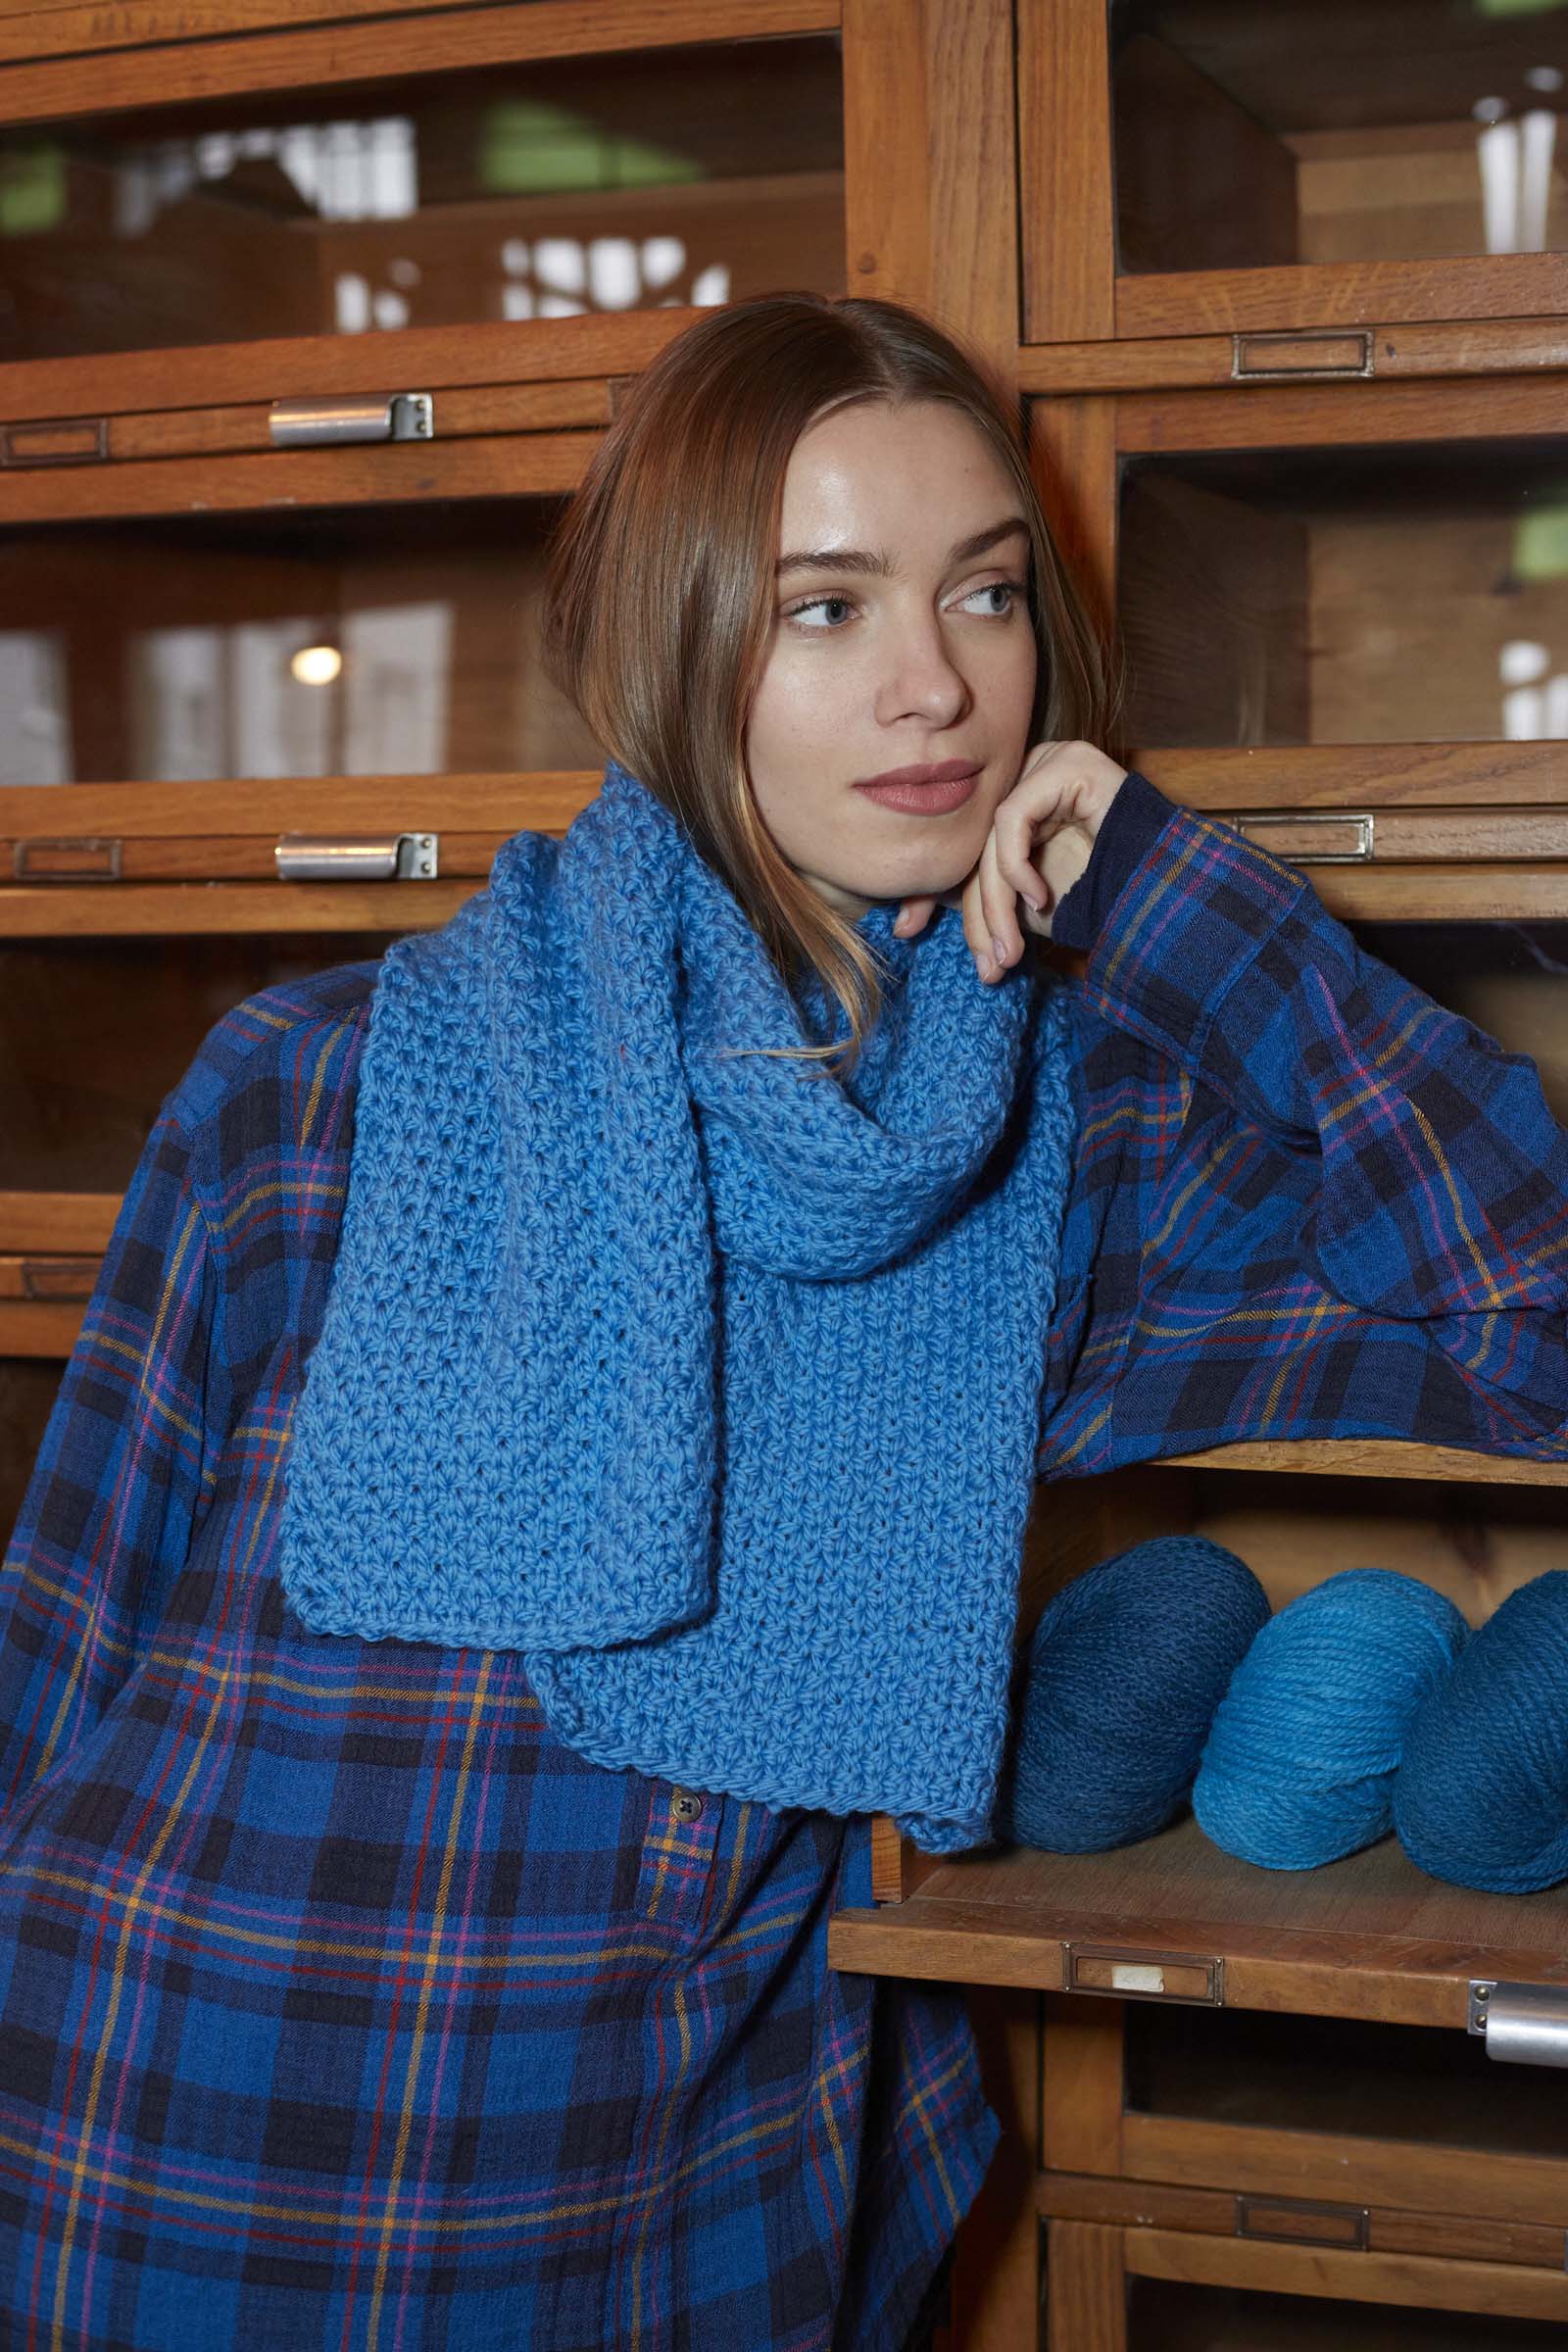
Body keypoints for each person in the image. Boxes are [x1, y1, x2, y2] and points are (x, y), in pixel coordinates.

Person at [1, 293, 1564, 2352]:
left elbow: (1532, 1318)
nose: (936, 686)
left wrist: (1183, 903)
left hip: (643, 2164)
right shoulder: (323, 1077)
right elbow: (60, 1644)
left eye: (983, 593)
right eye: (823, 607)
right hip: (140, 2099)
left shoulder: (1062, 1153)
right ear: (670, 640)